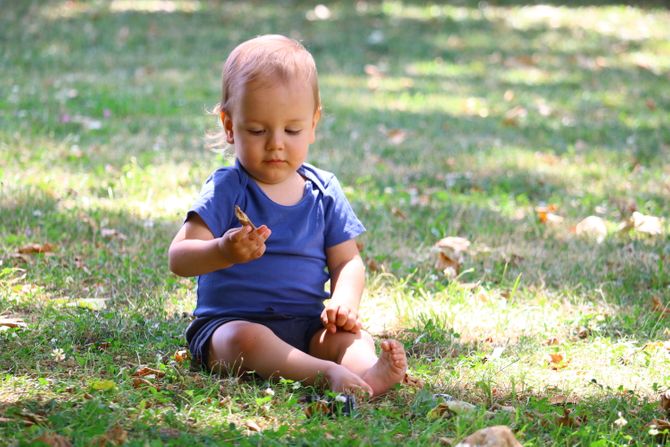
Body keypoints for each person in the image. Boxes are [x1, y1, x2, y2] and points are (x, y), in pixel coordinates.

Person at [168, 34, 407, 396]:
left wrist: (344, 302)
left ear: (313, 123)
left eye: (292, 129)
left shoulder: (323, 191)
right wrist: (223, 251)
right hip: (231, 325)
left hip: (308, 327)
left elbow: (348, 262)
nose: (276, 142)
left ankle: (365, 376)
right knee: (244, 340)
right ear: (230, 125)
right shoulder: (227, 188)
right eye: (258, 130)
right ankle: (323, 374)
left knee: (350, 338)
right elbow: (179, 258)